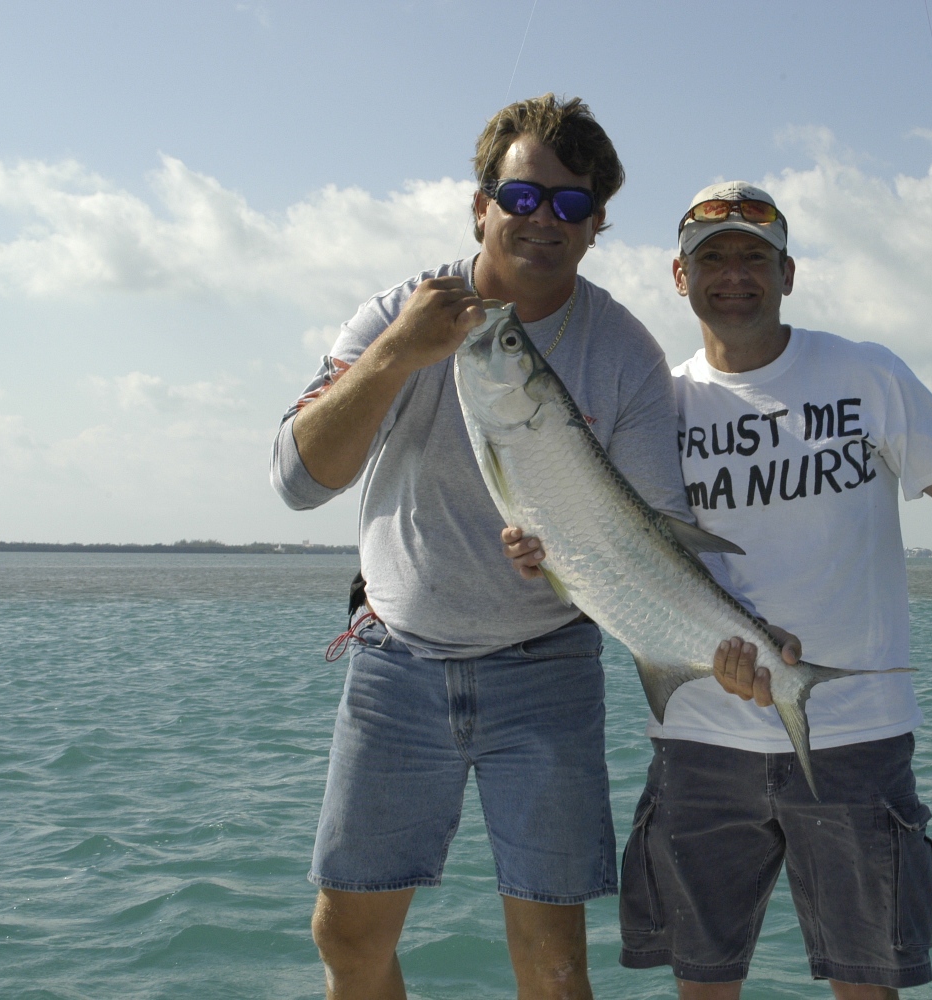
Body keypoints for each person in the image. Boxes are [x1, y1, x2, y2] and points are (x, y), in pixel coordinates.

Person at [506, 181, 932, 999]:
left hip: (857, 733)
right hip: (699, 736)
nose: (734, 275)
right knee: (703, 984)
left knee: (867, 985)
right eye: (713, 259)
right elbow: (606, 547)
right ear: (680, 276)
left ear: (789, 273)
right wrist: (542, 552)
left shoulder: (867, 373)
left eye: (754, 257)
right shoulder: (655, 400)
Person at [271, 94, 697, 1000]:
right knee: (346, 936)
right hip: (395, 662)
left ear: (596, 227)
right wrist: (397, 354)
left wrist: (580, 563)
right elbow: (298, 481)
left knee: (554, 961)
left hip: (546, 668)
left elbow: (655, 533)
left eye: (573, 205)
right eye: (523, 197)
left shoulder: (626, 353)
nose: (545, 220)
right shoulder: (399, 312)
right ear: (480, 206)